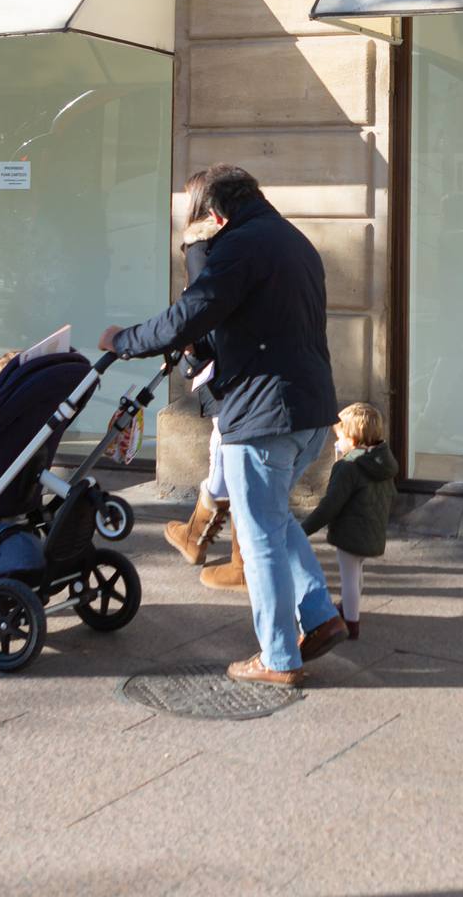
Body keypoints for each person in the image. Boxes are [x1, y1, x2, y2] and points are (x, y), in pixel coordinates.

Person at [99, 164, 343, 686]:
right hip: (310, 407)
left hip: (262, 413)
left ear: (215, 213)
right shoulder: (292, 240)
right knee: (273, 520)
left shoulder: (241, 245)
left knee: (257, 540)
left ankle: (279, 657)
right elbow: (253, 319)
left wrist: (124, 340)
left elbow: (189, 313)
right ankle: (320, 616)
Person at [161, 199, 243, 585]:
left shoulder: (201, 247)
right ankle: (199, 536)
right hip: (236, 365)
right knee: (225, 451)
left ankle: (210, 543)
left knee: (229, 452)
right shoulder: (237, 243)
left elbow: (200, 307)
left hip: (225, 367)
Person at [301, 402, 398, 641]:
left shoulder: (348, 467)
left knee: (349, 579)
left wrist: (302, 530)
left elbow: (329, 506)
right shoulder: (382, 464)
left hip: (350, 532)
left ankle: (351, 622)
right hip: (373, 531)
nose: (337, 442)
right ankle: (347, 608)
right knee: (357, 573)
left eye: (340, 437)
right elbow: (391, 495)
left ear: (353, 440)